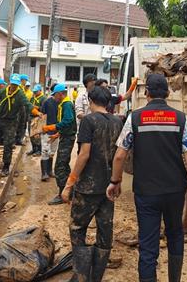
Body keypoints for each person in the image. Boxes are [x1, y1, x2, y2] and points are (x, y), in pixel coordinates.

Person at [107, 73, 187, 282]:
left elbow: (120, 155)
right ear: (168, 93)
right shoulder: (180, 118)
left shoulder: (135, 117)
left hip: (146, 191)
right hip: (175, 190)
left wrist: (115, 182)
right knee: (175, 234)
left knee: (148, 243)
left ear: (146, 92)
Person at [61, 86, 124, 281]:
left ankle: (81, 276)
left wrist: (69, 184)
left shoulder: (88, 121)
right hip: (108, 187)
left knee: (78, 228)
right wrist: (117, 180)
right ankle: (96, 277)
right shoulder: (117, 122)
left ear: (90, 100)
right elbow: (121, 155)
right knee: (105, 229)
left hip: (88, 186)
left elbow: (84, 154)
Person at [0, 74, 40, 176]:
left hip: (11, 122)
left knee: (8, 144)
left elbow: (27, 104)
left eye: (16, 85)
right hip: (0, 120)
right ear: (10, 83)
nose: (14, 87)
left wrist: (36, 112)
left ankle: (6, 167)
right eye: (13, 84)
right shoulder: (4, 90)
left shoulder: (20, 94)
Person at [46, 84, 77, 205]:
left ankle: (62, 194)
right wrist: (57, 134)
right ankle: (71, 190)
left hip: (68, 138)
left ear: (60, 94)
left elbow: (68, 120)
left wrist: (55, 126)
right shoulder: (64, 104)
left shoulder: (67, 104)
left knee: (59, 167)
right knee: (64, 165)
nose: (54, 98)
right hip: (66, 136)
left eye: (55, 95)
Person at [39, 87, 60, 182]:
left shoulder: (61, 103)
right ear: (55, 93)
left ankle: (50, 171)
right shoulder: (47, 102)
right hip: (47, 131)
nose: (61, 95)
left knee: (52, 152)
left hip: (56, 131)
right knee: (45, 151)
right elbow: (42, 116)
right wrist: (41, 129)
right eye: (60, 93)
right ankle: (44, 173)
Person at [27, 84, 45, 156]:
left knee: (37, 135)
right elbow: (29, 105)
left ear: (40, 91)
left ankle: (39, 150)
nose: (34, 93)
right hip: (31, 117)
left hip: (38, 118)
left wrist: (38, 107)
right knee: (31, 134)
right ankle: (34, 148)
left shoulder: (43, 98)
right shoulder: (32, 98)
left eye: (36, 92)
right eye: (34, 91)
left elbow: (44, 109)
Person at [15, 75, 33, 146]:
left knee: (22, 124)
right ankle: (15, 140)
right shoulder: (19, 88)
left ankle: (19, 139)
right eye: (25, 80)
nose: (25, 83)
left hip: (24, 108)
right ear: (22, 80)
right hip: (18, 108)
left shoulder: (22, 88)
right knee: (17, 124)